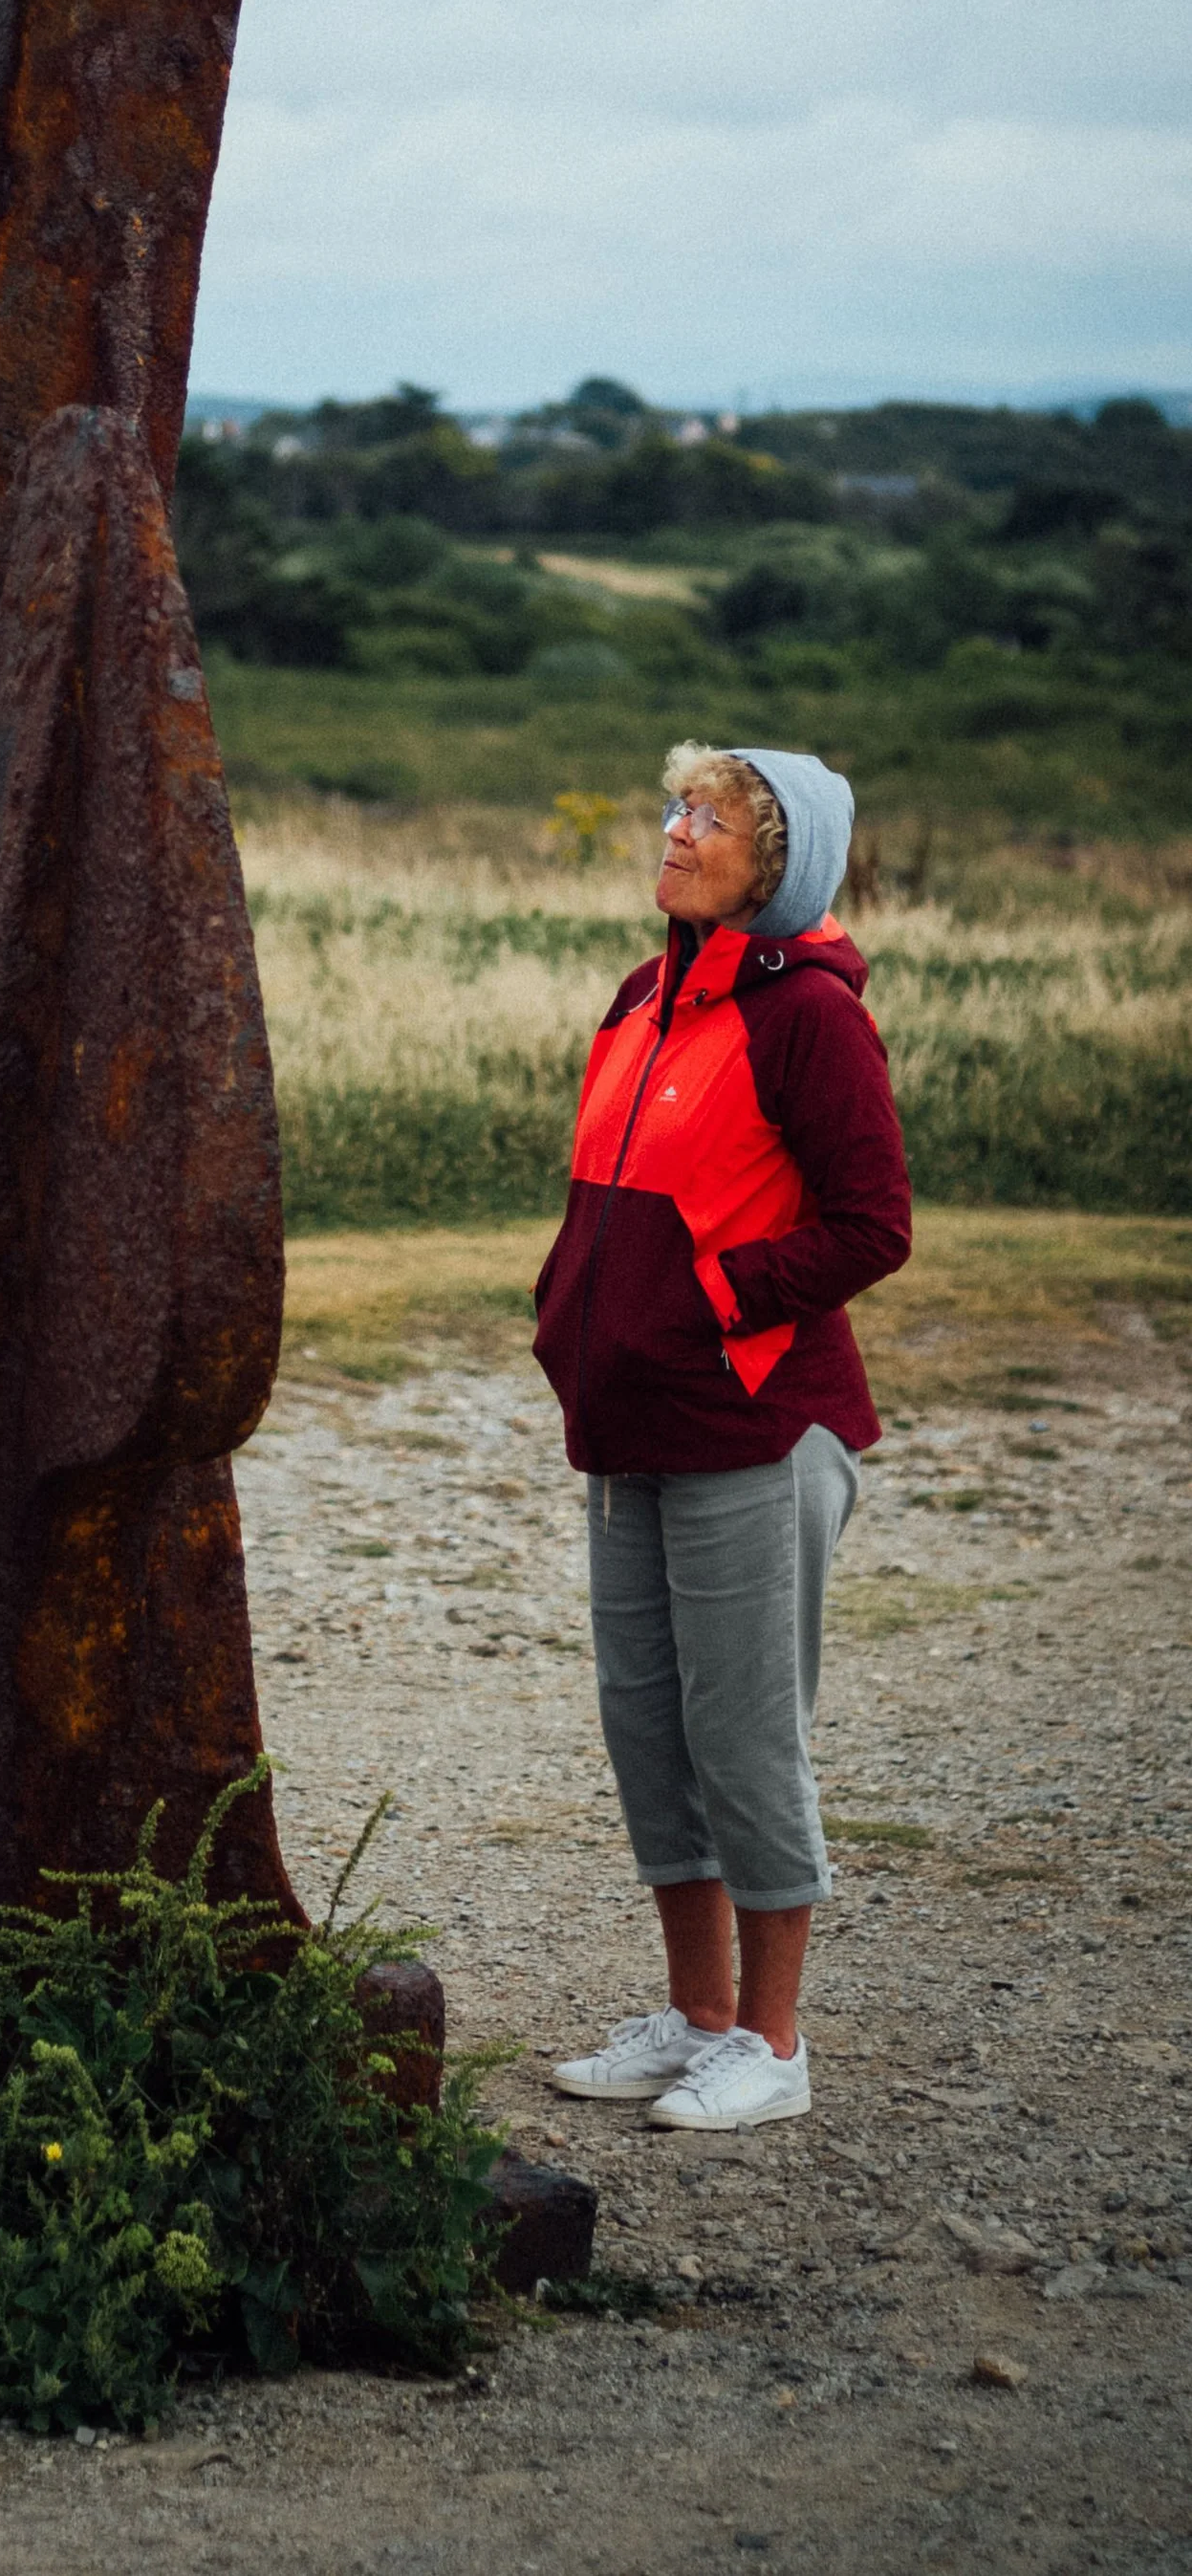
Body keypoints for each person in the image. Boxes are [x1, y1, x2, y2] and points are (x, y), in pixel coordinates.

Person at [531, 744, 911, 2129]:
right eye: (678, 807)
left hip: (759, 1424)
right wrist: (569, 1307)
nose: (677, 831)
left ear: (778, 860)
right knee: (649, 1729)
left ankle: (774, 2040)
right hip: (628, 1420)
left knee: (743, 1734)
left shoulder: (810, 1016)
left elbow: (876, 1224)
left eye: (711, 818)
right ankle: (697, 2017)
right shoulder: (647, 1000)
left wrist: (713, 1298)